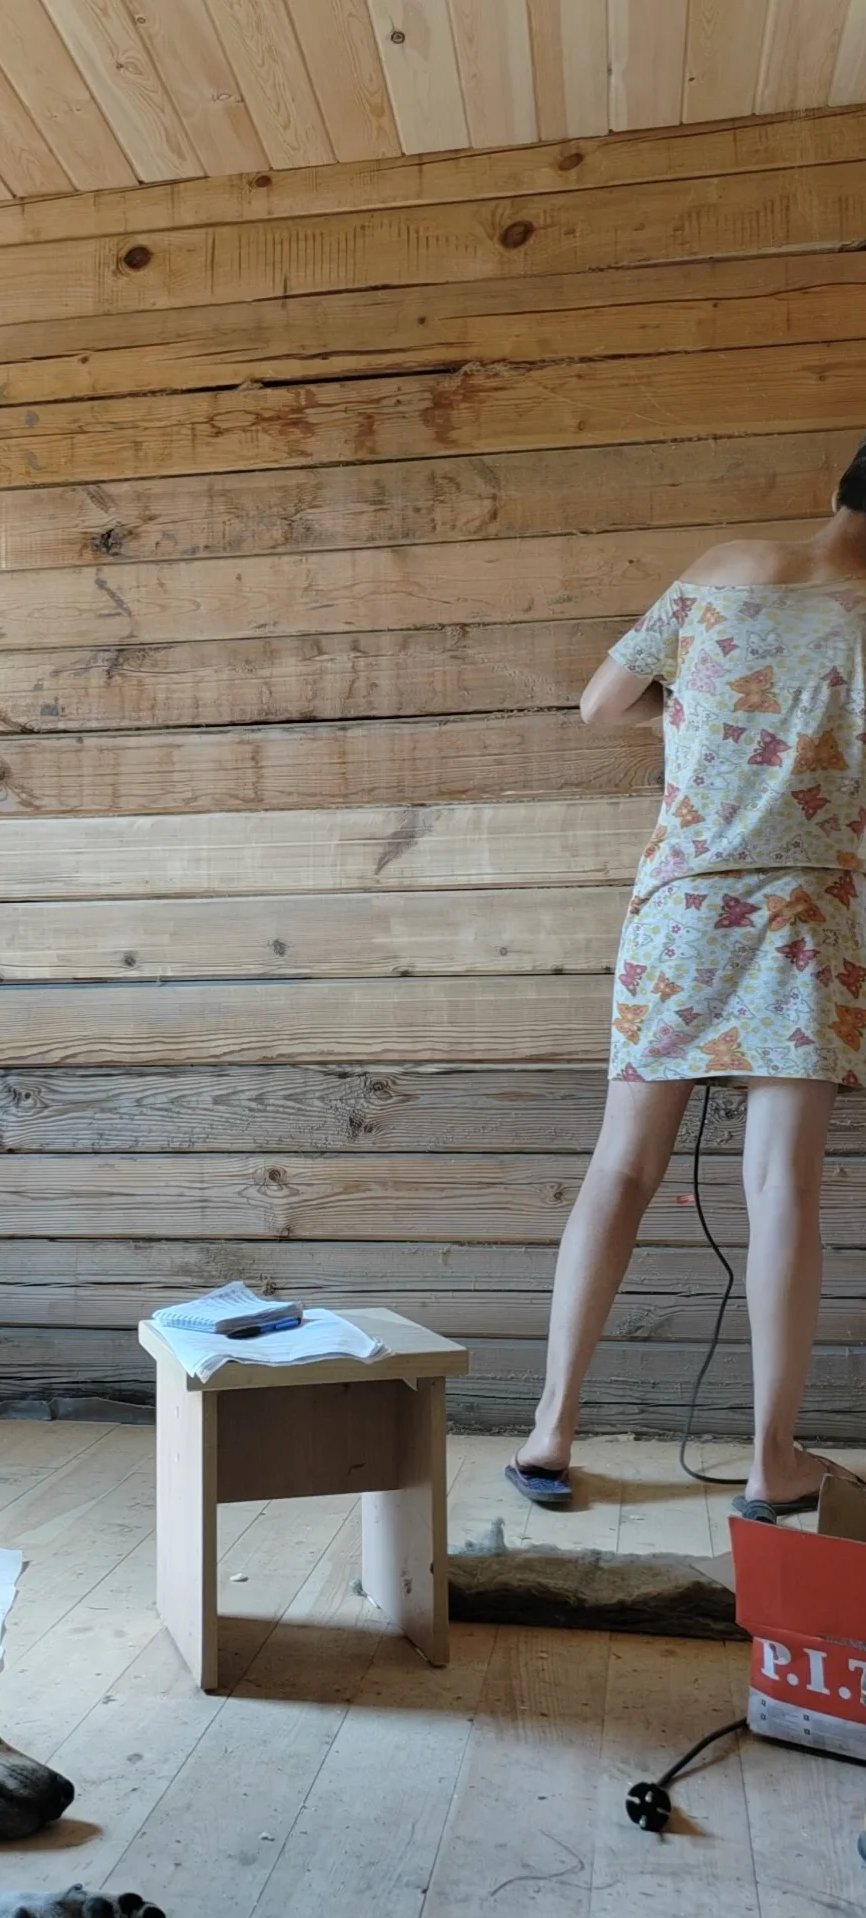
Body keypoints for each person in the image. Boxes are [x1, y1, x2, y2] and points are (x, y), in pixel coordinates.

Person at [508, 440, 866, 1520]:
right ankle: (770, 1462)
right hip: (810, 918)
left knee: (621, 1168)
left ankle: (550, 1431)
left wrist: (699, 722)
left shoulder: (725, 568)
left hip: (681, 905)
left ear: (841, 488)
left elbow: (599, 704)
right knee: (781, 1188)